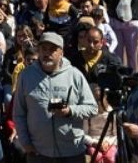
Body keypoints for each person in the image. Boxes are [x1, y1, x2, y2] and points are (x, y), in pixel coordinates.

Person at [13, 32, 98, 163]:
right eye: (43, 49)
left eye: (52, 49)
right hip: (38, 152)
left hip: (71, 151)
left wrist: (70, 111)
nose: (47, 53)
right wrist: (25, 142)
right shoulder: (26, 76)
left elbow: (92, 108)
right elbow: (19, 113)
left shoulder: (75, 75)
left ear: (61, 53)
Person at [104, 0, 138, 70]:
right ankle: (120, 75)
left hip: (130, 23)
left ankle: (133, 74)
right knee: (117, 52)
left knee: (131, 52)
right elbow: (108, 1)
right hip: (116, 22)